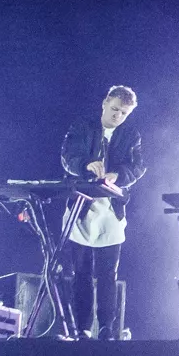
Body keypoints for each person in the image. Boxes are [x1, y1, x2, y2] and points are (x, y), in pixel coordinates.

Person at [59, 86, 146, 340]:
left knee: (108, 274)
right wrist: (86, 165)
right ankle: (82, 328)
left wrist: (118, 175)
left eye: (124, 113)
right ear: (105, 103)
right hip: (82, 206)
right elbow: (68, 157)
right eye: (115, 109)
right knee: (81, 273)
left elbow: (138, 166)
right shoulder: (82, 126)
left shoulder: (131, 135)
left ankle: (107, 327)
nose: (118, 116)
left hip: (111, 209)